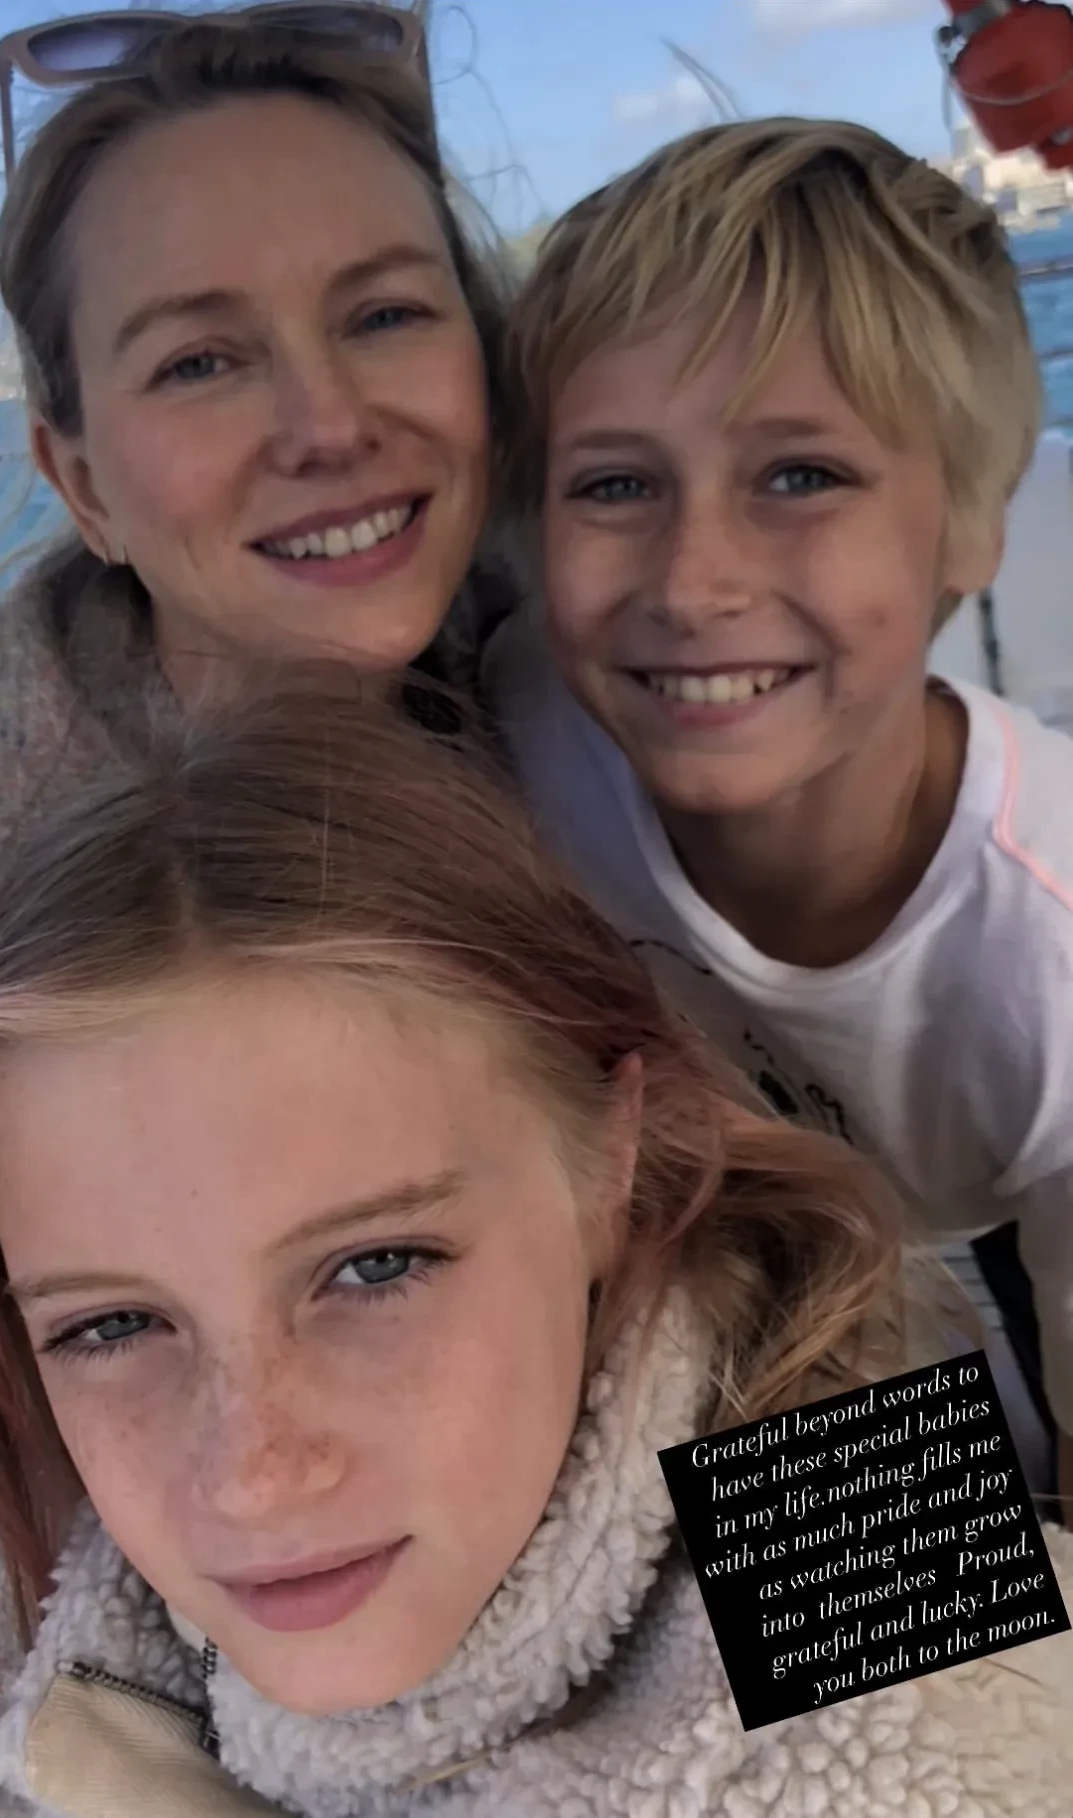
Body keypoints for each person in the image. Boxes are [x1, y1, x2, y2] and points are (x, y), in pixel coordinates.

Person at [0, 679, 1069, 1817]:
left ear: (609, 1164)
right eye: (112, 1325)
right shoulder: (115, 1666)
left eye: (376, 1266)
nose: (252, 1476)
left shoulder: (911, 1666)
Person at [0, 9, 516, 1810]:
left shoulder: (605, 666)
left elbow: (797, 1236)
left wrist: (928, 1702)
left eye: (386, 314)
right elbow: (1, 1601)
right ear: (80, 479)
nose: (329, 423)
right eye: (199, 361)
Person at [483, 116, 1073, 1522]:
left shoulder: (1049, 956)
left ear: (971, 523)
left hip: (970, 1207)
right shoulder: (510, 726)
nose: (693, 582)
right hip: (723, 1235)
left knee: (947, 1599)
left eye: (799, 475)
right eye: (614, 485)